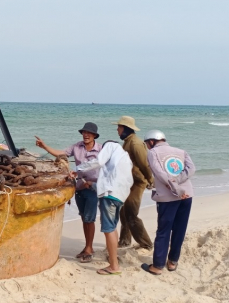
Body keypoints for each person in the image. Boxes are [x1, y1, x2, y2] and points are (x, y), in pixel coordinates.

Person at [35, 123, 102, 263]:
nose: (86, 135)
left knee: (90, 219)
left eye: (89, 133)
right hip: (79, 187)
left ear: (94, 135)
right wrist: (44, 146)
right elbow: (61, 153)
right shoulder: (77, 146)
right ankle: (87, 247)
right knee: (84, 218)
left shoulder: (101, 149)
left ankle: (89, 248)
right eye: (84, 132)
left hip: (93, 189)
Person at [72, 141, 133, 275]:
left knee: (108, 229)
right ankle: (113, 259)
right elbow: (111, 179)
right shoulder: (124, 157)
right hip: (120, 196)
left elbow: (98, 162)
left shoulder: (110, 146)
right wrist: (92, 185)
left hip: (110, 196)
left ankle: (113, 266)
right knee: (112, 228)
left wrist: (77, 169)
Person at [140, 130, 195, 276]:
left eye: (147, 143)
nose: (147, 146)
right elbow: (191, 169)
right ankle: (172, 262)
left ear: (152, 141)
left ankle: (157, 266)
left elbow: (160, 174)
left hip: (168, 197)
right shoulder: (181, 151)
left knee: (163, 231)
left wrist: (175, 187)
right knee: (180, 229)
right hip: (187, 195)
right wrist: (178, 182)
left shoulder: (153, 153)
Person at [111, 116, 154, 250]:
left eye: (119, 127)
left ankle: (146, 244)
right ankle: (125, 241)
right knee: (123, 212)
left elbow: (145, 164)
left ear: (125, 128)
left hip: (137, 182)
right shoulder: (127, 141)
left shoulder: (135, 143)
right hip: (128, 182)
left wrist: (150, 180)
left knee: (131, 214)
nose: (117, 130)